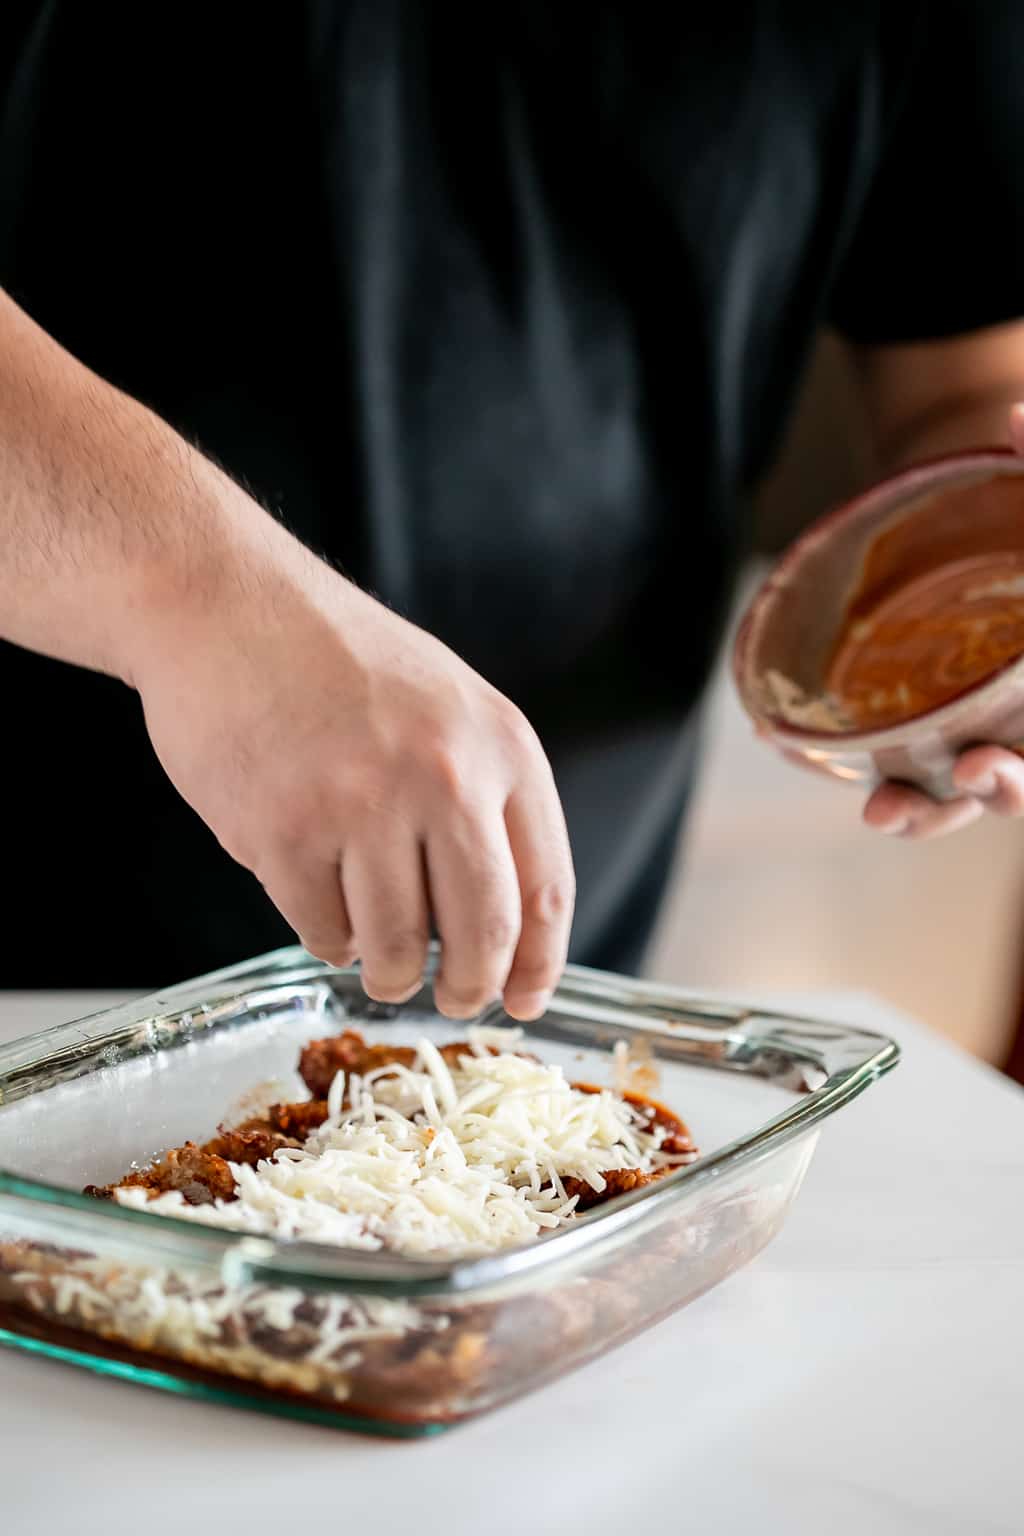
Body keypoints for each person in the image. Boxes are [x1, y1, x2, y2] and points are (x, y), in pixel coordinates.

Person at [0, 4, 1022, 1016]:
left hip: (549, 986)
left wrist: (988, 610)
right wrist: (209, 601)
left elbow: (958, 374)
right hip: (40, 934)